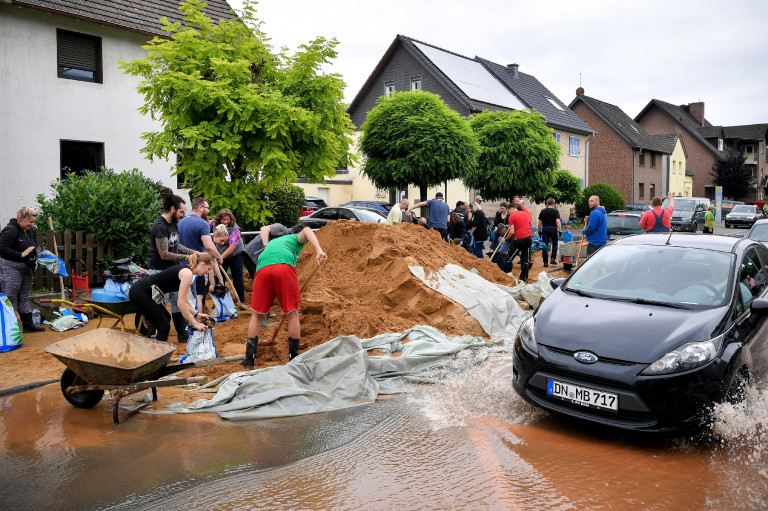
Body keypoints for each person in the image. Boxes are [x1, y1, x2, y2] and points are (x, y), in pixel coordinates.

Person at [241, 226, 327, 367]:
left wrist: (283, 306)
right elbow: (306, 229)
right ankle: (293, 358)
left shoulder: (276, 242)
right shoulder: (295, 238)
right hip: (283, 267)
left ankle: (249, 359)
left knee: (256, 316)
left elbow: (273, 282)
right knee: (293, 314)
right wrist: (319, 250)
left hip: (262, 269)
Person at [129, 253, 212, 342]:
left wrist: (196, 314)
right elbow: (180, 303)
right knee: (164, 327)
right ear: (203, 264)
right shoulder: (187, 274)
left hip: (144, 291)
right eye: (209, 269)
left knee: (166, 317)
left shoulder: (187, 271)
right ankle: (158, 353)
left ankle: (155, 344)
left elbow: (184, 300)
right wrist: (194, 323)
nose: (207, 272)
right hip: (141, 292)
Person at [148, 187, 196, 342]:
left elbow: (176, 245)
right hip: (158, 271)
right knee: (157, 304)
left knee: (177, 300)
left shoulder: (173, 224)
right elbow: (164, 254)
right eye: (181, 212)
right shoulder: (160, 226)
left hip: (172, 270)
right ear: (173, 209)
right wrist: (187, 257)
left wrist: (193, 252)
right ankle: (152, 335)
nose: (183, 215)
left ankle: (182, 334)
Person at [0, 206, 44, 332]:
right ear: (21, 219)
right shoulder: (11, 230)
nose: (32, 224)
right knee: (11, 296)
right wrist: (21, 254)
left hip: (26, 267)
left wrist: (39, 252)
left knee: (24, 296)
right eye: (30, 221)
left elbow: (34, 244)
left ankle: (28, 325)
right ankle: (11, 328)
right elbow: (2, 248)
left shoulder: (30, 230)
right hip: (10, 267)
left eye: (34, 221)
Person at [178, 197, 224, 306]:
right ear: (200, 208)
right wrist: (219, 257)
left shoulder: (180, 222)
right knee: (199, 296)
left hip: (182, 265)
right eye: (207, 208)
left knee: (186, 297)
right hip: (199, 265)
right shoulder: (203, 223)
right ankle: (197, 321)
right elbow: (208, 246)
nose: (208, 211)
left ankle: (188, 320)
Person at [210, 208, 245, 305]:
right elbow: (207, 222)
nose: (225, 222)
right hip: (220, 254)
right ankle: (219, 301)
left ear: (231, 219)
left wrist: (220, 258)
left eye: (227, 220)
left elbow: (232, 247)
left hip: (235, 255)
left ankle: (240, 300)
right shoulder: (214, 223)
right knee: (219, 277)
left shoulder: (235, 230)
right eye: (223, 220)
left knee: (237, 277)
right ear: (219, 219)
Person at [502, 203, 533, 281]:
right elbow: (529, 224)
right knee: (525, 260)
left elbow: (512, 232)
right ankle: (523, 278)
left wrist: (505, 239)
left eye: (508, 211)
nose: (509, 213)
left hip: (519, 239)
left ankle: (508, 276)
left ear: (511, 209)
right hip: (528, 238)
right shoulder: (525, 213)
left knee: (509, 258)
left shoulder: (512, 217)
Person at [538, 198, 562, 267]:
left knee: (545, 245)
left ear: (547, 204)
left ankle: (545, 262)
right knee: (555, 243)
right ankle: (553, 258)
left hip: (545, 229)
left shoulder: (543, 211)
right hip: (553, 229)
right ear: (554, 204)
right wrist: (560, 231)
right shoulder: (555, 211)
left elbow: (540, 222)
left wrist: (539, 231)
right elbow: (558, 221)